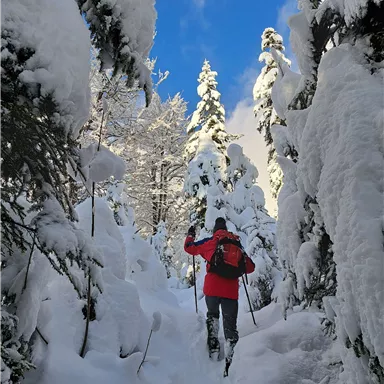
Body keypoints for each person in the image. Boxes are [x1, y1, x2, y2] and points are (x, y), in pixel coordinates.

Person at [184, 217, 255, 365]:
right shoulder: (236, 243)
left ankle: (213, 346)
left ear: (215, 230)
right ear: (226, 229)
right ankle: (231, 358)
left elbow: (189, 248)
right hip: (230, 292)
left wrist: (190, 235)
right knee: (230, 325)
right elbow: (250, 267)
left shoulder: (210, 242)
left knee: (213, 316)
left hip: (212, 290)